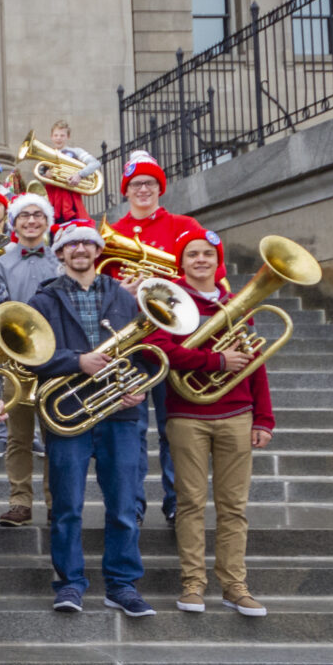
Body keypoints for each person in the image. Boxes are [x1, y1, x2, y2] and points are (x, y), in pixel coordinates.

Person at [28, 221, 153, 618]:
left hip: (121, 411)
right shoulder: (43, 301)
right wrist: (76, 361)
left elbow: (146, 349)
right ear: (60, 253)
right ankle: (70, 583)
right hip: (70, 412)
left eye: (87, 242)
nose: (79, 248)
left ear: (98, 251)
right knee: (67, 505)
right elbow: (30, 356)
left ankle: (122, 584)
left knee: (122, 504)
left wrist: (142, 385)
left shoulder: (124, 296)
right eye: (70, 244)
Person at [147, 227, 273, 617]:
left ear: (218, 262)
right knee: (190, 504)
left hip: (237, 415)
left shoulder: (237, 304)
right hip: (188, 415)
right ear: (181, 263)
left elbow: (254, 363)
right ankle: (193, 584)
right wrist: (216, 361)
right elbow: (159, 352)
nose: (200, 260)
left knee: (234, 507)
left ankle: (235, 585)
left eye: (207, 254)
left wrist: (264, 417)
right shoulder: (169, 303)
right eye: (192, 254)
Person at [109, 149, 204, 527]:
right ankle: (131, 504)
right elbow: (102, 287)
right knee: (129, 432)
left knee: (174, 427)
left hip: (175, 342)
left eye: (149, 183)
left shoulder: (185, 226)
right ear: (126, 190)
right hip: (132, 344)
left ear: (160, 187)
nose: (143, 190)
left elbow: (206, 272)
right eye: (135, 185)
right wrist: (123, 291)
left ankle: (176, 501)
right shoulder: (114, 234)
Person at [0, 192, 59, 528]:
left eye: (38, 215)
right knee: (18, 437)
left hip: (56, 359)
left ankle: (57, 501)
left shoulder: (60, 259)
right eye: (24, 215)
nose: (31, 221)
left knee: (55, 436)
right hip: (16, 358)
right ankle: (20, 501)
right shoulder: (0, 263)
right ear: (14, 222)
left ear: (47, 221)